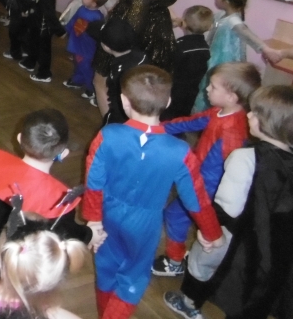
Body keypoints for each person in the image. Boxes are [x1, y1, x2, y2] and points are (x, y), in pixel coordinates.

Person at [83, 65, 224, 319]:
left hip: (108, 213)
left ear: (124, 101)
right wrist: (211, 232)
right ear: (167, 102)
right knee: (134, 275)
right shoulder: (180, 151)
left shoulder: (107, 135)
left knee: (106, 266)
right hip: (145, 223)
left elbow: (94, 182)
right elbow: (196, 198)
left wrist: (93, 220)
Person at [164, 85, 293, 319]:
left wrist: (209, 232)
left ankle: (189, 303)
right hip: (273, 243)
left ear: (269, 124)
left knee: (201, 264)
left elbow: (227, 206)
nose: (249, 115)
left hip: (233, 235)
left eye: (255, 113)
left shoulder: (244, 158)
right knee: (251, 288)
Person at [0, 109, 102, 281]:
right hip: (29, 268)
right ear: (63, 154)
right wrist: (89, 234)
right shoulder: (59, 198)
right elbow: (67, 232)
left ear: (19, 139)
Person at [152, 61, 260, 277]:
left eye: (213, 86)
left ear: (231, 97)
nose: (207, 89)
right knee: (176, 216)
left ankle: (175, 261)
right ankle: (179, 256)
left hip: (205, 189)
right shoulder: (219, 112)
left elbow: (224, 172)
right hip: (199, 182)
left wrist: (197, 191)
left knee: (175, 216)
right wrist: (155, 127)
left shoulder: (232, 132)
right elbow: (190, 123)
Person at [191, 0, 269, 112]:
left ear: (226, 1)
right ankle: (204, 115)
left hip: (225, 60)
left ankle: (213, 114)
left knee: (219, 88)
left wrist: (266, 49)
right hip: (214, 57)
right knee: (209, 87)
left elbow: (247, 35)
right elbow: (208, 24)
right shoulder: (221, 16)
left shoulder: (234, 21)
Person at [161, 5, 213, 121]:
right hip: (192, 93)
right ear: (209, 27)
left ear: (183, 23)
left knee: (167, 119)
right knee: (182, 119)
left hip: (172, 92)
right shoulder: (206, 48)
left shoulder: (178, 46)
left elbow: (167, 68)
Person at [92, 17, 147, 125]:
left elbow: (115, 102)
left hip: (121, 118)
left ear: (106, 47)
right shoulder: (142, 56)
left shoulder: (117, 73)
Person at [63, 0, 110, 99]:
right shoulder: (81, 9)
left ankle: (91, 89)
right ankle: (77, 80)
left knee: (86, 67)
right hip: (77, 43)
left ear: (94, 3)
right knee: (78, 63)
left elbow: (98, 35)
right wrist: (65, 30)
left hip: (87, 48)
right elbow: (73, 21)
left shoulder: (97, 17)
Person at [25, 0, 66, 83]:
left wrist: (60, 31)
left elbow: (50, 15)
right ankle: (31, 61)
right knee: (34, 44)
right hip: (37, 26)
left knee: (44, 52)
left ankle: (44, 74)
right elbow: (37, 5)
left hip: (44, 29)